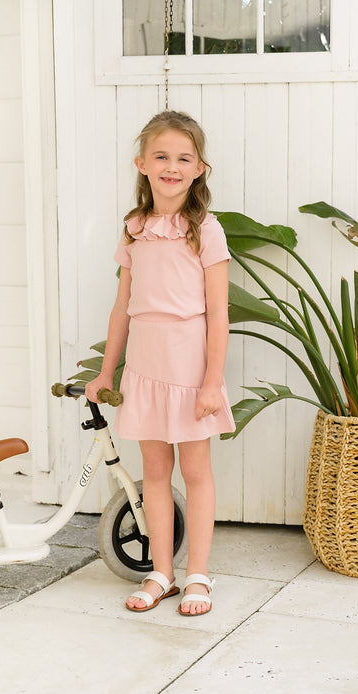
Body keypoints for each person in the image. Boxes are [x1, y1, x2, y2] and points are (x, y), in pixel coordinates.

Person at [85, 110, 235, 617]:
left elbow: (219, 311)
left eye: (183, 158)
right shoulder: (134, 230)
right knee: (154, 469)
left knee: (195, 469)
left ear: (199, 169)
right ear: (142, 163)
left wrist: (213, 381)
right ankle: (162, 571)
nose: (172, 166)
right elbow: (122, 308)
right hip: (145, 366)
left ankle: (198, 574)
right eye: (162, 156)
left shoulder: (205, 230)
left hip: (190, 367)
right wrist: (107, 372)